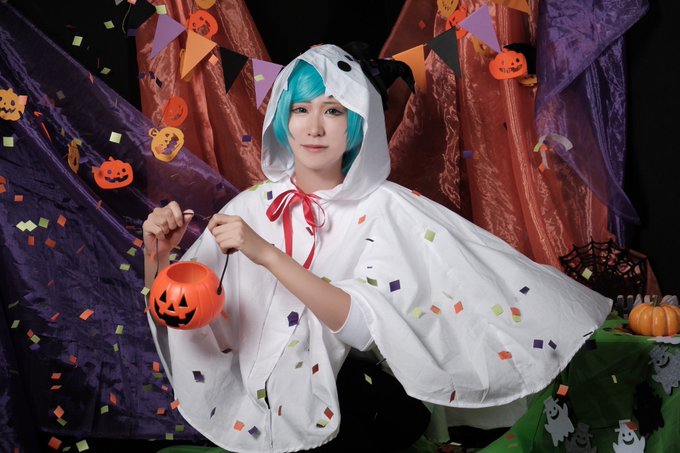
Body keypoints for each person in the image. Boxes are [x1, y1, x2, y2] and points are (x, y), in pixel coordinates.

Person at [142, 44, 611, 453]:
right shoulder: (250, 207)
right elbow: (178, 311)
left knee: (361, 399)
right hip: (259, 397)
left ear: (357, 122)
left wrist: (266, 254)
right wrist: (159, 258)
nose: (314, 127)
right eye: (301, 109)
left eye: (333, 110)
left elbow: (362, 331)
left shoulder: (386, 208)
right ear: (283, 118)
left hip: (356, 398)